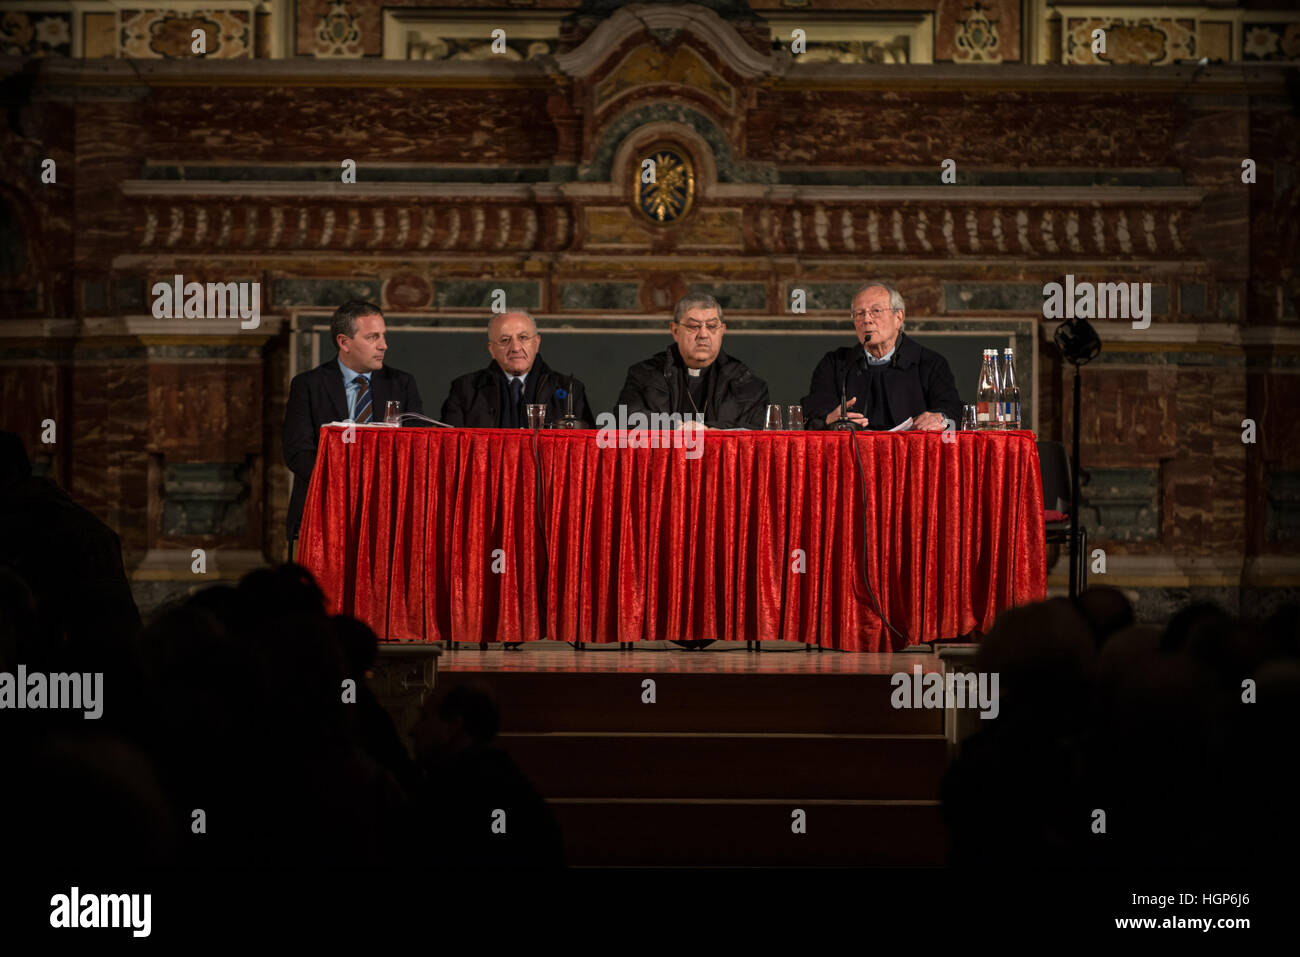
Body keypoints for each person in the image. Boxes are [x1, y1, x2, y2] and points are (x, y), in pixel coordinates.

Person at [282, 301, 423, 550]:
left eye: (383, 336)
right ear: (344, 342)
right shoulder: (308, 385)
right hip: (325, 512)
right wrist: (347, 483)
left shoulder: (402, 383)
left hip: (388, 516)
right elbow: (298, 452)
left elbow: (418, 447)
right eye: (372, 337)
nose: (383, 345)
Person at [801, 281, 962, 431]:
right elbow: (813, 413)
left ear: (899, 317)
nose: (867, 319)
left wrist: (941, 417)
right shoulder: (835, 364)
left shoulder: (930, 363)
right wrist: (828, 418)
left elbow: (952, 409)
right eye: (859, 313)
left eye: (876, 311)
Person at [616, 293, 768, 429]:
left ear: (722, 330)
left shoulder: (746, 382)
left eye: (712, 326)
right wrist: (677, 427)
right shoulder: (644, 375)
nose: (703, 334)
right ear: (675, 331)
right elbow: (625, 418)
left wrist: (706, 430)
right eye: (693, 326)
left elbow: (755, 429)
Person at [440, 311, 595, 428]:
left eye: (523, 338)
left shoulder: (569, 389)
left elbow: (586, 453)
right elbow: (449, 449)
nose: (515, 348)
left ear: (537, 343)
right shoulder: (465, 389)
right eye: (505, 340)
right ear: (491, 349)